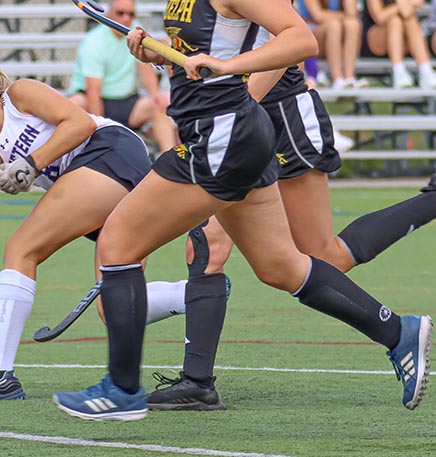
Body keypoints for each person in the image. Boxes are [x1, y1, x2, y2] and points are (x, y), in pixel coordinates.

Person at [53, 0, 432, 421]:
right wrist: (159, 52)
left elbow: (300, 38)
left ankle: (123, 391)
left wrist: (230, 69)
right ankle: (399, 332)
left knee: (118, 242)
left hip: (221, 136)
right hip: (225, 132)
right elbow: (203, 51)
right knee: (279, 266)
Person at [143, 25, 436, 412]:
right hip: (233, 122)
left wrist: (231, 110)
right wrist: (165, 56)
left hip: (279, 118)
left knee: (321, 257)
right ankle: (197, 382)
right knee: (222, 247)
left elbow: (291, 42)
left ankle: (402, 320)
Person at [0, 42, 196, 400]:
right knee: (114, 303)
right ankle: (199, 294)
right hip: (114, 173)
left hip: (109, 152)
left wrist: (33, 163)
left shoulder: (19, 95)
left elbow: (80, 123)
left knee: (21, 249)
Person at [68, 0, 178, 154]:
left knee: (159, 104)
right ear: (109, 14)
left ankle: (170, 157)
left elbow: (144, 67)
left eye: (131, 14)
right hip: (95, 101)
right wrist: (101, 130)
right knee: (74, 103)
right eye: (120, 13)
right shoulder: (94, 41)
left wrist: (154, 94)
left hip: (126, 101)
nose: (126, 18)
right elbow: (93, 91)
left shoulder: (135, 31)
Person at [361, 0, 436, 88]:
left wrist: (400, 6)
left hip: (402, 41)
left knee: (410, 21)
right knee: (395, 21)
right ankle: (398, 71)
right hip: (376, 40)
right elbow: (380, 17)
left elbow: (407, 12)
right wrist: (400, 5)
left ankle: (425, 70)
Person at [297, 0, 366, 89]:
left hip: (336, 35)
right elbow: (318, 16)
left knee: (353, 24)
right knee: (334, 25)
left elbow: (352, 14)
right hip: (313, 35)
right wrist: (344, 16)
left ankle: (349, 77)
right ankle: (337, 79)